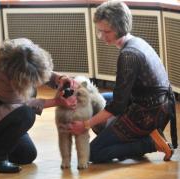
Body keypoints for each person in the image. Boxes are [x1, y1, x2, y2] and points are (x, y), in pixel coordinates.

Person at [66, 0, 178, 163]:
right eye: (100, 31)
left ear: (120, 28)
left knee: (91, 154)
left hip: (150, 113)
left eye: (107, 32)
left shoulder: (129, 55)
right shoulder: (136, 41)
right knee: (95, 102)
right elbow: (121, 97)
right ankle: (127, 141)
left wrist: (85, 125)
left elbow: (117, 106)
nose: (102, 37)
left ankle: (149, 143)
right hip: (152, 104)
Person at [0, 38, 77, 173]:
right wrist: (56, 102)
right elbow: (22, 105)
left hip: (0, 110)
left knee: (25, 154)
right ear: (17, 76)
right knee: (26, 114)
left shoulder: (24, 47)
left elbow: (36, 69)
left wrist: (58, 78)